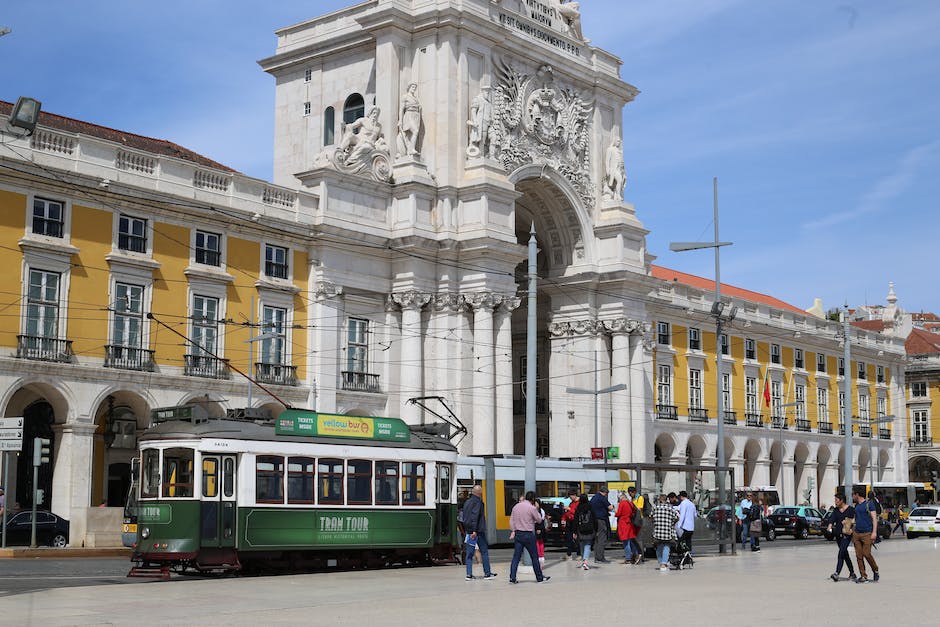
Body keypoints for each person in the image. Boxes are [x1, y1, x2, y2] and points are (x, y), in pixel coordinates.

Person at [508, 491, 550, 583]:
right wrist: (536, 508)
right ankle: (539, 577)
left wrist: (513, 531)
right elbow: (539, 520)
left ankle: (512, 577)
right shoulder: (532, 508)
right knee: (534, 557)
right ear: (533, 499)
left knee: (516, 557)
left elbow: (511, 521)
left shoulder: (516, 507)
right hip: (528, 535)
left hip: (518, 534)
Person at [461, 485, 497, 581]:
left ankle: (468, 575)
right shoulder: (478, 502)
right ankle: (487, 573)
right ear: (479, 493)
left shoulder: (467, 502)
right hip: (477, 531)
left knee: (469, 554)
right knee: (484, 551)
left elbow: (463, 517)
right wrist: (474, 530)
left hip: (469, 531)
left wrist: (468, 530)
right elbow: (475, 516)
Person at [827, 492, 858, 582]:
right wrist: (830, 526)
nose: (835, 502)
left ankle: (837, 573)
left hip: (846, 534)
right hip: (838, 535)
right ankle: (852, 573)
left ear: (842, 500)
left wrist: (851, 525)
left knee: (841, 552)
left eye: (836, 500)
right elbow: (832, 519)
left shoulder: (851, 509)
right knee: (845, 554)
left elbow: (855, 520)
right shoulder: (836, 510)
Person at [851, 486, 879, 583]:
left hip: (867, 533)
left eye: (853, 494)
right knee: (859, 555)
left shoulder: (869, 504)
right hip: (857, 533)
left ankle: (875, 569)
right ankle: (863, 576)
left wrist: (874, 532)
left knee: (866, 554)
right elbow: (856, 519)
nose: (852, 496)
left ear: (857, 495)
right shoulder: (856, 506)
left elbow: (874, 518)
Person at [651, 494, 678, 572]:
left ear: (659, 500)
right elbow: (677, 517)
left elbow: (651, 517)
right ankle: (664, 563)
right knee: (666, 546)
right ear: (667, 500)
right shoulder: (670, 508)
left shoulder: (655, 507)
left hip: (658, 530)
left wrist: (655, 523)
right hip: (667, 530)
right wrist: (672, 523)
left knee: (658, 546)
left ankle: (660, 562)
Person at [467, 86, 495, 158]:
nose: (488, 94)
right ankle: (481, 154)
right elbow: (473, 110)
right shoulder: (478, 99)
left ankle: (491, 155)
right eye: (486, 92)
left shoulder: (489, 103)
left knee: (493, 137)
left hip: (489, 124)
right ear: (482, 92)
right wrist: (475, 121)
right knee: (482, 138)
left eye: (488, 93)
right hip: (481, 122)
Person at [590, 487, 614, 563]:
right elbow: (610, 507)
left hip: (594, 520)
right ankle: (600, 558)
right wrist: (613, 506)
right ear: (605, 493)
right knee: (602, 538)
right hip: (601, 520)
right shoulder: (602, 498)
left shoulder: (594, 497)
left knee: (597, 539)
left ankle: (596, 557)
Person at [397, 82, 422, 157]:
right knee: (415, 131)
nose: (414, 89)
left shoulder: (416, 98)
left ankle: (409, 149)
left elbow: (418, 107)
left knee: (411, 133)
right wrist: (400, 120)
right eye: (412, 87)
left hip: (416, 115)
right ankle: (411, 149)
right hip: (409, 114)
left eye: (415, 87)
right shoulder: (405, 97)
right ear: (409, 87)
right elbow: (401, 109)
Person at [572, 493, 595, 570]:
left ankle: (583, 560)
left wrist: (574, 531)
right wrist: (596, 529)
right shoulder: (591, 507)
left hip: (580, 529)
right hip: (590, 529)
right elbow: (594, 518)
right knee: (588, 545)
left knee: (581, 544)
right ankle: (585, 561)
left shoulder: (578, 507)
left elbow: (575, 520)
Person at [615, 492, 638, 564]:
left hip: (623, 523)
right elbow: (634, 511)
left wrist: (615, 510)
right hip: (630, 523)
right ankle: (635, 555)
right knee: (631, 541)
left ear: (621, 498)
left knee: (626, 541)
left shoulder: (622, 503)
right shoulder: (630, 503)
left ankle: (628, 558)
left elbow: (618, 514)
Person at [628, 486, 646, 561]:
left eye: (631, 494)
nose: (630, 495)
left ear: (634, 492)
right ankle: (635, 554)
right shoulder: (633, 498)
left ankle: (641, 555)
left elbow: (640, 508)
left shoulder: (640, 498)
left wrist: (631, 506)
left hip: (639, 519)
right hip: (634, 519)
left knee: (639, 538)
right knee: (633, 538)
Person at [561, 489, 579, 560]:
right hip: (569, 522)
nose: (570, 498)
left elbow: (577, 512)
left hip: (575, 522)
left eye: (571, 496)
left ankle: (579, 554)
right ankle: (569, 554)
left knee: (576, 538)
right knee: (569, 539)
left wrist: (569, 509)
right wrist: (563, 519)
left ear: (574, 495)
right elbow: (567, 513)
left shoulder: (578, 503)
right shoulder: (571, 503)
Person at [534, 498, 547, 567]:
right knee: (539, 543)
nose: (535, 505)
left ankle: (541, 557)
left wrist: (539, 529)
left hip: (539, 529)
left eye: (536, 504)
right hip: (539, 529)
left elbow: (540, 521)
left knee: (539, 543)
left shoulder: (540, 511)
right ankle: (541, 558)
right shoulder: (541, 510)